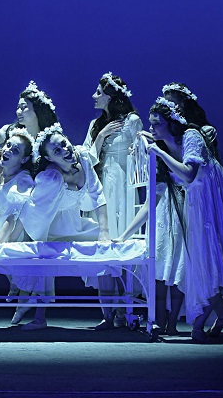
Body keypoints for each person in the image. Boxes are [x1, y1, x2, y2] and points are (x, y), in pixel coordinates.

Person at [144, 96, 223, 342]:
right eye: (151, 123)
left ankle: (202, 323)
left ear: (171, 123)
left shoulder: (191, 136)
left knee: (208, 262)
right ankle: (221, 314)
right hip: (195, 206)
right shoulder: (166, 144)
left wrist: (158, 152)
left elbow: (189, 175)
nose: (152, 128)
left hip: (212, 205)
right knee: (198, 264)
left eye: (156, 123)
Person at [15, 123, 110, 330]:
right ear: (49, 158)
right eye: (57, 151)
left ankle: (112, 315)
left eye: (64, 144)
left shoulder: (82, 157)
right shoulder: (51, 176)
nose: (65, 150)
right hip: (50, 225)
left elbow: (97, 194)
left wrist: (104, 232)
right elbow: (33, 210)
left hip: (74, 222)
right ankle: (39, 317)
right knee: (44, 258)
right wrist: (14, 237)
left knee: (107, 246)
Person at [82, 72, 143, 330]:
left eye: (99, 92)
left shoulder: (132, 121)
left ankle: (125, 310)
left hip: (123, 185)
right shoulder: (95, 124)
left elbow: (141, 154)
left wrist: (135, 150)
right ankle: (107, 313)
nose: (94, 96)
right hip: (102, 183)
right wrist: (100, 137)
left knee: (121, 243)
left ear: (110, 96)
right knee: (102, 246)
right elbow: (86, 157)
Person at [113, 132, 187, 336]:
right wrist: (125, 235)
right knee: (159, 274)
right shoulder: (156, 173)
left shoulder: (174, 161)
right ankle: (161, 321)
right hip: (162, 224)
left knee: (177, 272)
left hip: (181, 221)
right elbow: (147, 207)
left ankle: (172, 323)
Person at [0, 127, 35, 309]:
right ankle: (13, 281)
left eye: (15, 150)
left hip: (10, 227)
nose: (8, 150)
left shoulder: (23, 180)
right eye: (8, 145)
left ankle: (18, 285)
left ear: (23, 159)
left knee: (7, 257)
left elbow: (13, 214)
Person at [0, 80, 59, 152]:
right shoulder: (10, 131)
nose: (18, 111)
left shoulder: (53, 138)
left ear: (38, 110)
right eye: (18, 107)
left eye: (23, 107)